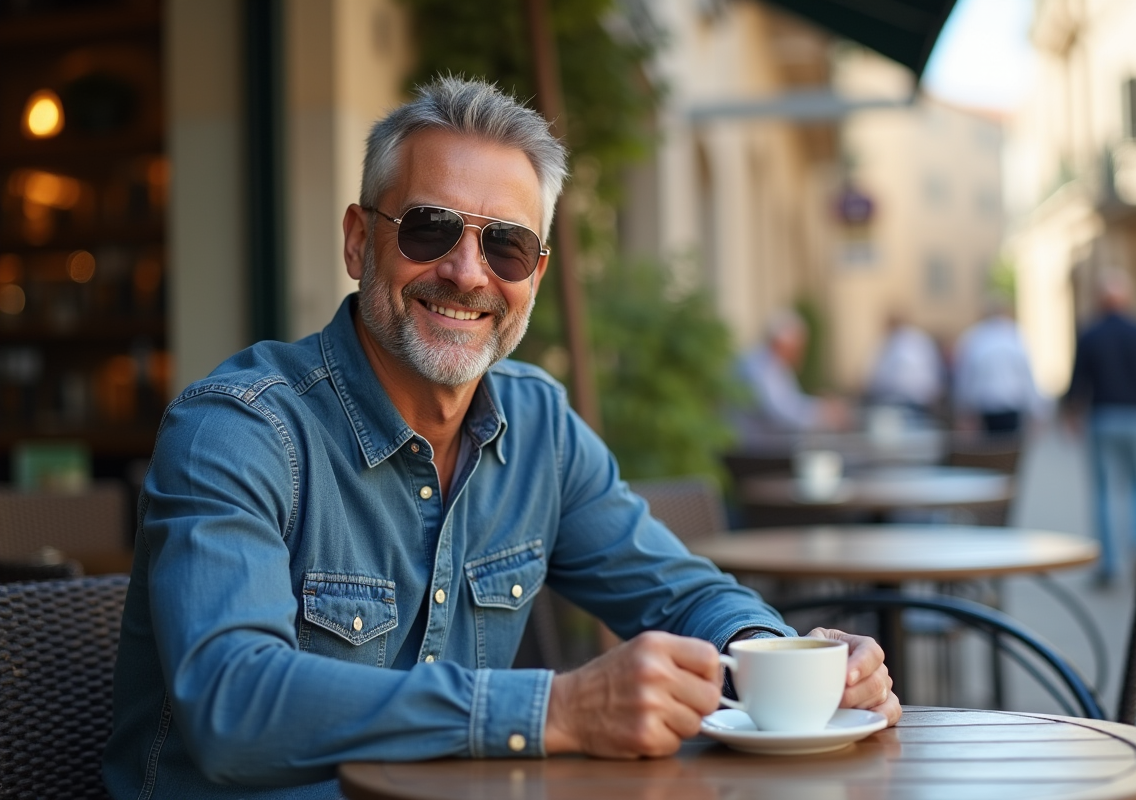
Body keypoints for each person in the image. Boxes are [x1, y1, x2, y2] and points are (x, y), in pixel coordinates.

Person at [102, 78, 899, 798]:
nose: (467, 272)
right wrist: (555, 708)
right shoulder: (240, 429)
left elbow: (679, 594)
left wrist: (785, 661)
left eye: (506, 245)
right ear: (357, 241)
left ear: (536, 277)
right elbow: (233, 705)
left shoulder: (540, 425)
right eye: (428, 229)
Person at [1063, 268, 1136, 586]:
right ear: (1126, 298)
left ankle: (1109, 564)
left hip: (1102, 418)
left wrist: (1071, 415)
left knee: (1102, 492)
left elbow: (1076, 383)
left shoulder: (1090, 333)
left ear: (1101, 300)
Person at [731, 309, 848, 449]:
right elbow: (780, 413)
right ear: (782, 344)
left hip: (766, 447)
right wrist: (822, 412)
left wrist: (821, 406)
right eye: (798, 347)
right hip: (753, 451)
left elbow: (791, 402)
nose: (801, 354)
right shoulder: (758, 368)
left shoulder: (775, 364)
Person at [952, 296, 1046, 437]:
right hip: (1008, 408)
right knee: (1008, 453)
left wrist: (962, 410)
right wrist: (1037, 410)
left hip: (986, 409)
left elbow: (965, 378)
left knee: (989, 455)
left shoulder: (975, 337)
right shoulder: (1016, 336)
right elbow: (1027, 375)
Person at [864, 313, 944, 420]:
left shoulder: (892, 343)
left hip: (903, 404)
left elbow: (875, 377)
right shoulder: (920, 340)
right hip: (916, 403)